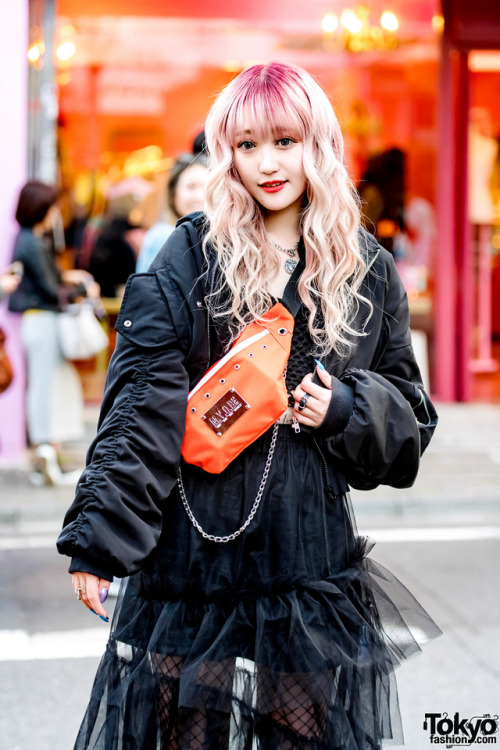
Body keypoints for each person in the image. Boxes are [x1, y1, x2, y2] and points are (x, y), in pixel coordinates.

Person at [57, 62, 439, 749]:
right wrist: (99, 536)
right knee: (184, 736)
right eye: (246, 144)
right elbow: (141, 402)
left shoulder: (364, 268)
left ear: (316, 145)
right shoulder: (191, 254)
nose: (267, 163)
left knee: (303, 734)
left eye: (285, 142)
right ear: (223, 153)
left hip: (305, 554)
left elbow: (410, 417)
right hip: (192, 550)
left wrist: (345, 407)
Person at [8, 181, 99, 485]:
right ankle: (45, 455)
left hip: (39, 321)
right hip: (42, 321)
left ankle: (47, 454)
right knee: (45, 389)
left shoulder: (31, 239)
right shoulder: (32, 242)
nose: (55, 213)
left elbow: (50, 278)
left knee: (46, 387)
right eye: (51, 208)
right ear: (41, 209)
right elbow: (49, 288)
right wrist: (81, 288)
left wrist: (70, 277)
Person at [136, 151, 208, 272]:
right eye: (191, 187)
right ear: (173, 194)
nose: (199, 196)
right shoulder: (163, 236)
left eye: (206, 187)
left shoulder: (212, 238)